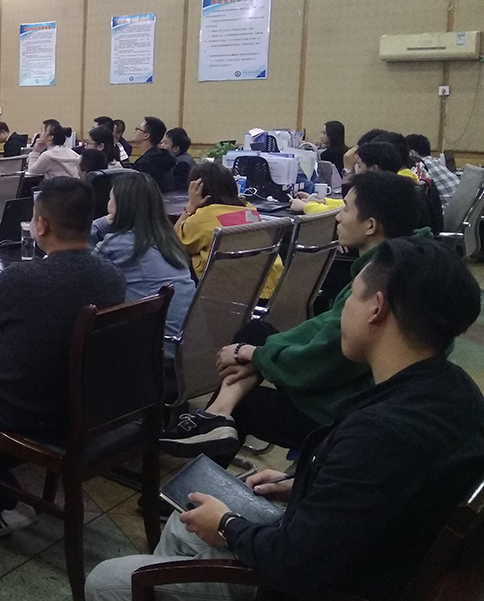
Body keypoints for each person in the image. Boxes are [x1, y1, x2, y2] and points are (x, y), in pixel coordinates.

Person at [84, 236, 484, 601]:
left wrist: (229, 526)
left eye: (351, 297)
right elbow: (386, 494)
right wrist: (303, 482)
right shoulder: (456, 393)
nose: (343, 310)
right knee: (184, 524)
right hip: (365, 563)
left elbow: (296, 564)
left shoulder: (383, 434)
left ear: (376, 308)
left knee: (109, 584)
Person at [161, 171, 421, 456]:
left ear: (370, 226)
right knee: (256, 332)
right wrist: (259, 351)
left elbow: (323, 360)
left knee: (246, 403)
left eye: (345, 209)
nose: (338, 216)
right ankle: (216, 416)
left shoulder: (377, 283)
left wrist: (256, 355)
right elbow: (325, 327)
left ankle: (206, 454)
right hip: (345, 385)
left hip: (339, 409)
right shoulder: (400, 264)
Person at [0, 178, 126, 535]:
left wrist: (9, 327)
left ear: (40, 225)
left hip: (22, 408)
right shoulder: (112, 276)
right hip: (83, 407)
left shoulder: (22, 279)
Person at [91, 172, 196, 361]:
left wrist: (100, 224)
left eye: (110, 198)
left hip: (155, 353)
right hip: (187, 348)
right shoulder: (169, 240)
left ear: (121, 205)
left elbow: (82, 270)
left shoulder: (118, 245)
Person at [173, 162, 283, 297]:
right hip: (271, 289)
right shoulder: (249, 210)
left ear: (196, 190)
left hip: (233, 295)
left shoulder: (202, 218)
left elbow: (173, 243)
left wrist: (190, 207)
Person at [406, 133, 458, 209]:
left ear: (412, 153)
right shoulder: (435, 161)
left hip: (447, 212)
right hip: (459, 210)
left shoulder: (419, 166)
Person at [129, 116, 176, 191]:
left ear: (146, 135)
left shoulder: (145, 164)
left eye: (138, 128)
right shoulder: (163, 156)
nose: (135, 131)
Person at [162, 127, 195, 191]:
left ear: (176, 148)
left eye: (165, 143)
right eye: (162, 142)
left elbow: (180, 189)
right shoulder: (186, 158)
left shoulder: (182, 164)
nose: (161, 146)